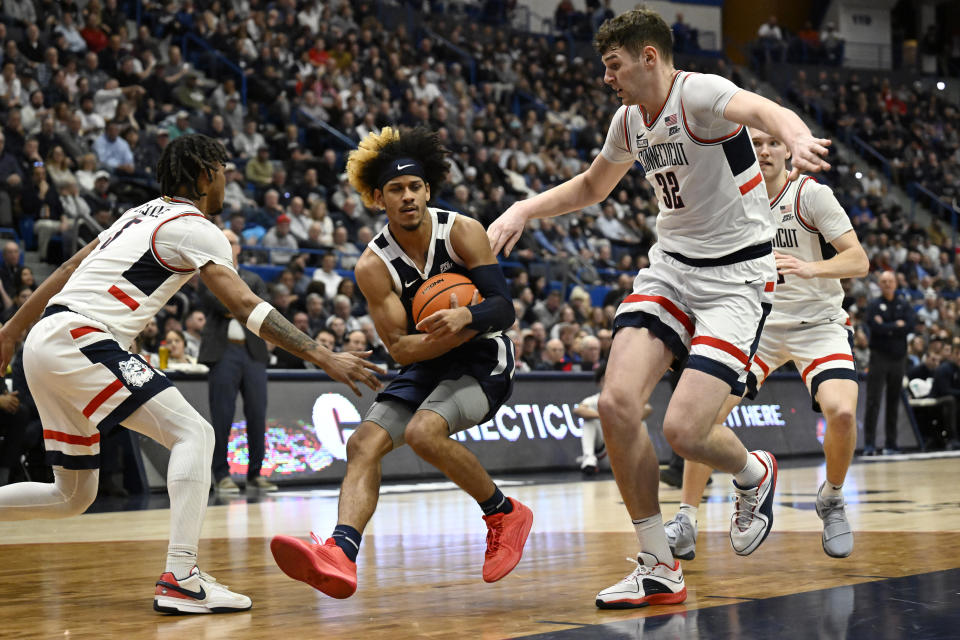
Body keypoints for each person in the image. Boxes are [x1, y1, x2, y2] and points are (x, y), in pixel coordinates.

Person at [488, 9, 831, 608]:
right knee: (618, 405)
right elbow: (594, 186)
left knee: (684, 430)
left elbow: (762, 110)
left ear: (649, 57)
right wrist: (524, 208)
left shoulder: (697, 93)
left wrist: (797, 135)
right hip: (672, 269)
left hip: (736, 279)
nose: (606, 77)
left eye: (613, 64)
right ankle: (656, 565)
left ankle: (754, 473)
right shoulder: (628, 121)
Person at [0, 134, 381, 615]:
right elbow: (245, 305)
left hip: (46, 341)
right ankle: (181, 576)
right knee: (194, 433)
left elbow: (72, 264)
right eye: (223, 171)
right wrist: (323, 355)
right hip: (81, 337)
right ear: (205, 175)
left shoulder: (137, 213)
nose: (227, 181)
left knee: (72, 494)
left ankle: (181, 576)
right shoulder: (197, 227)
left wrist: (12, 329)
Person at [271, 126, 531, 598]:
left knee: (422, 433)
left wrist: (465, 318)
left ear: (428, 189)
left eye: (415, 187)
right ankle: (341, 554)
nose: (408, 196)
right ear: (377, 198)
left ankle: (503, 513)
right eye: (396, 189)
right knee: (362, 445)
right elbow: (400, 349)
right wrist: (446, 330)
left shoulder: (463, 232)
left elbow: (504, 308)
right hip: (429, 360)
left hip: (483, 355)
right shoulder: (373, 266)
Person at [663, 127, 869, 563]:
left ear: (787, 149)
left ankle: (831, 497)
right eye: (755, 143)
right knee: (703, 418)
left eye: (773, 142)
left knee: (843, 411)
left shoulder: (809, 195)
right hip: (758, 321)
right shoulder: (732, 197)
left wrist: (809, 269)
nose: (764, 151)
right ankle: (686, 517)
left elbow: (859, 259)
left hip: (818, 322)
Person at [199, 228, 274, 494]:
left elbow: (263, 308)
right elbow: (218, 304)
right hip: (223, 353)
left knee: (257, 414)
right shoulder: (207, 275)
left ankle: (255, 474)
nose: (228, 245)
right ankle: (221, 475)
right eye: (224, 241)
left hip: (252, 353)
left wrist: (239, 308)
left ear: (239, 248)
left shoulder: (253, 277)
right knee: (222, 416)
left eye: (232, 241)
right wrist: (242, 308)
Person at [863, 270, 914, 455]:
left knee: (894, 400)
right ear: (879, 284)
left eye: (890, 281)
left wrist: (886, 326)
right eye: (883, 281)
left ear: (895, 283)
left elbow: (909, 326)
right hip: (879, 358)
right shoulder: (874, 305)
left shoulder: (903, 304)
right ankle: (869, 444)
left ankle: (891, 443)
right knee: (873, 401)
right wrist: (895, 326)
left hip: (898, 359)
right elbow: (874, 326)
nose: (887, 284)